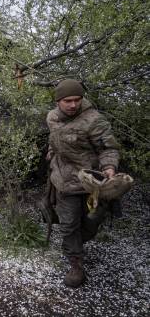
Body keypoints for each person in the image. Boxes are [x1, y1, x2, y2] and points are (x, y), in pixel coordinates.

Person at [46, 79, 119, 288]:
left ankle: (77, 243)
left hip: (91, 182)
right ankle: (75, 263)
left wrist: (110, 168)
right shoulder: (51, 117)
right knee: (68, 224)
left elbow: (108, 149)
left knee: (91, 223)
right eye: (67, 100)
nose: (73, 105)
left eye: (77, 100)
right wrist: (51, 152)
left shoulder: (94, 120)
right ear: (58, 101)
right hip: (63, 181)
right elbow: (54, 139)